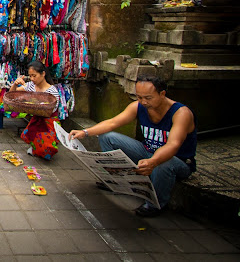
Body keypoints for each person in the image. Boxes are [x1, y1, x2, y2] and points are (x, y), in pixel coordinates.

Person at [69, 76, 197, 217]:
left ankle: (155, 204)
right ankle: (116, 181)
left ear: (162, 94)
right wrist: (85, 132)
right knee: (108, 137)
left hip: (176, 161)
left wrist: (153, 162)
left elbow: (173, 145)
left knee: (163, 163)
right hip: (147, 152)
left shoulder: (181, 113)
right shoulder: (138, 106)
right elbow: (112, 123)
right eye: (139, 97)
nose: (143, 102)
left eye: (148, 98)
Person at [9, 60, 60, 160]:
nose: (32, 78)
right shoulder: (30, 86)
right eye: (30, 76)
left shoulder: (52, 91)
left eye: (34, 75)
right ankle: (35, 147)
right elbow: (12, 94)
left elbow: (51, 109)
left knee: (47, 148)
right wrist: (15, 84)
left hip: (48, 120)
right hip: (37, 118)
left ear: (43, 74)